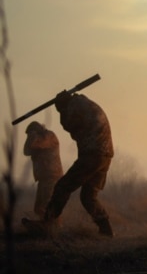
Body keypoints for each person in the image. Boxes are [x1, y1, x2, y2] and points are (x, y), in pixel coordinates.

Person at [23, 91, 114, 237]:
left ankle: (48, 223)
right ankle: (106, 229)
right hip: (105, 156)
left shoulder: (75, 106)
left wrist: (61, 109)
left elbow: (69, 125)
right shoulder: (86, 103)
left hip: (92, 154)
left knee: (63, 186)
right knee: (88, 197)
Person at [23, 121, 63, 218]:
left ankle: (53, 227)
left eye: (30, 134)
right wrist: (31, 136)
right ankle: (44, 224)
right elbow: (26, 151)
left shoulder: (49, 136)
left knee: (48, 205)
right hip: (44, 178)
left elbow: (33, 145)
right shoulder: (38, 139)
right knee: (39, 208)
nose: (29, 137)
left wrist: (32, 135)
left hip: (52, 176)